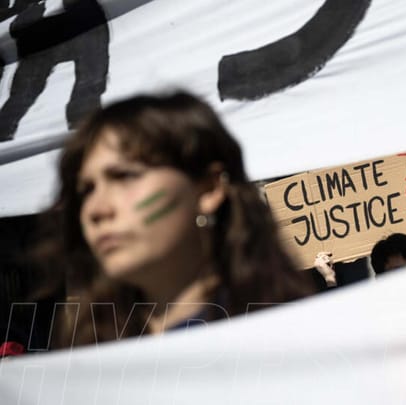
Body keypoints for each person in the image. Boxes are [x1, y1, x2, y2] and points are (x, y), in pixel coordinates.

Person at [39, 91, 313, 348]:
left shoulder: (289, 342)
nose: (95, 210)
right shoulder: (83, 363)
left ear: (208, 189)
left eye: (125, 176)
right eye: (86, 190)